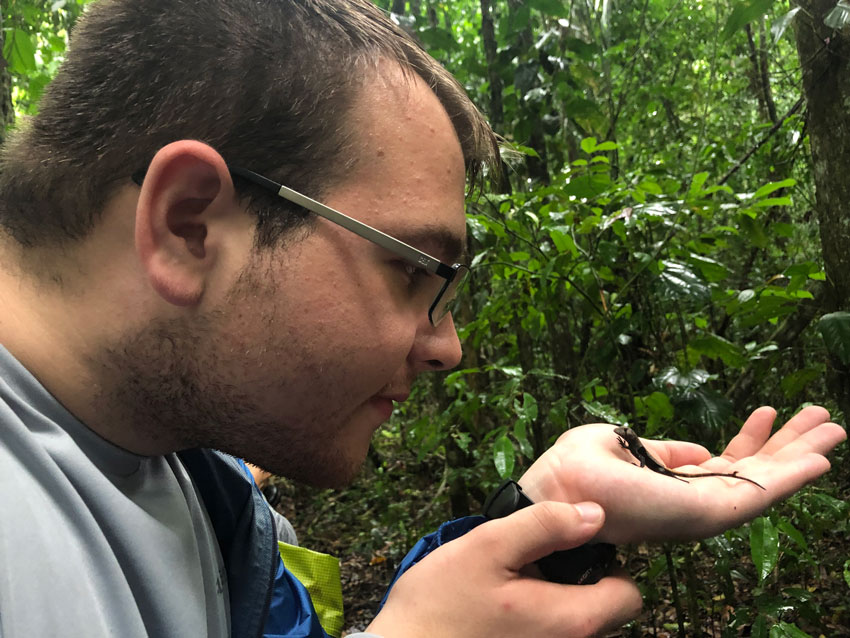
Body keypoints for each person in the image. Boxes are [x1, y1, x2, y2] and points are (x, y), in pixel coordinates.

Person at [0, 0, 844, 636]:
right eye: (409, 269)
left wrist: (538, 517)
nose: (449, 346)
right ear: (189, 226)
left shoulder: (182, 462)